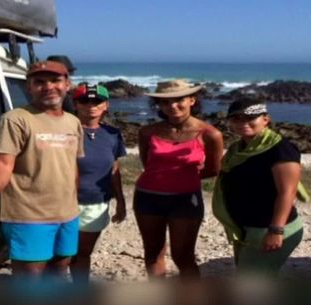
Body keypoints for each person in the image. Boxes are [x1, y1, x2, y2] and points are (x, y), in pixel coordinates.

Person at [0, 60, 84, 282]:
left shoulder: (73, 122)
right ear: (29, 87)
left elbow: (72, 164)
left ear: (67, 84)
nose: (48, 87)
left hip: (67, 214)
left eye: (55, 80)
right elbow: (3, 163)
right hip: (29, 216)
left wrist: (75, 200)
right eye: (39, 82)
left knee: (60, 267)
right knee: (30, 278)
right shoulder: (15, 119)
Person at [134, 79, 223, 279]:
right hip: (147, 197)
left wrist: (181, 177)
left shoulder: (210, 134)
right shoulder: (147, 132)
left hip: (185, 200)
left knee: (183, 256)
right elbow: (147, 164)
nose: (173, 106)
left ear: (192, 100)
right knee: (153, 254)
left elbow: (213, 169)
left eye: (179, 100)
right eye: (165, 102)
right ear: (159, 105)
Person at [212, 98, 305, 277]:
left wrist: (276, 231)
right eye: (236, 119)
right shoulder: (238, 149)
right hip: (249, 229)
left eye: (250, 118)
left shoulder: (280, 150)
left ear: (265, 119)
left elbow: (287, 192)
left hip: (271, 228)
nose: (243, 123)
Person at [68, 83, 127, 284]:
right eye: (84, 101)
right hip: (63, 202)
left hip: (96, 202)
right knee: (62, 253)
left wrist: (121, 201)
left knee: (84, 253)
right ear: (75, 104)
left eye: (96, 101)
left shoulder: (113, 134)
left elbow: (114, 168)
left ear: (105, 106)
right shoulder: (65, 131)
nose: (90, 106)